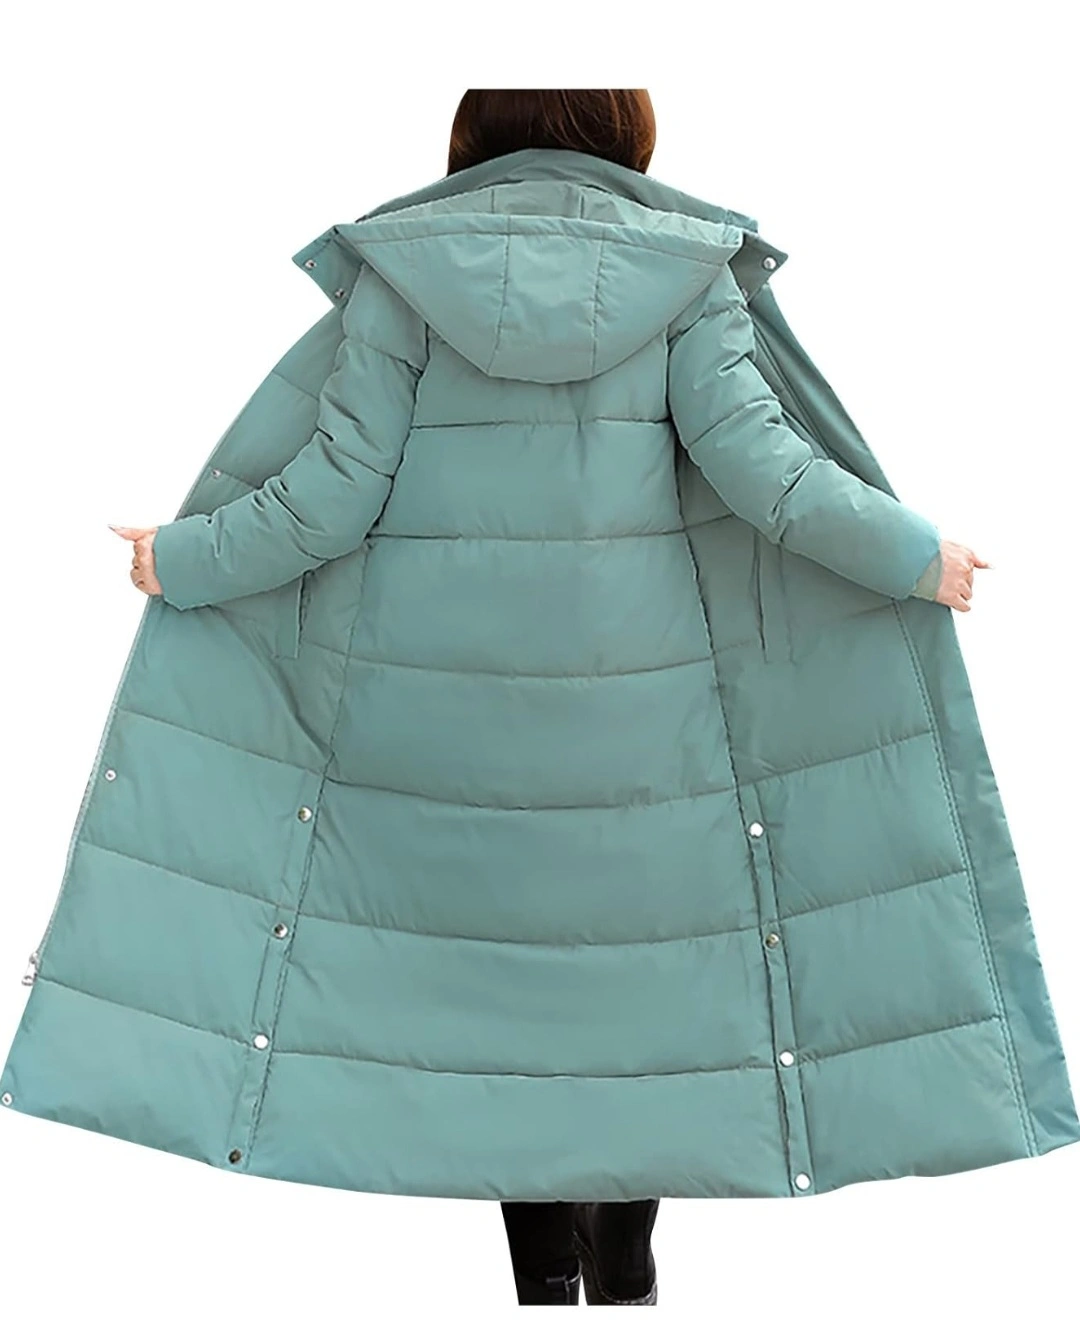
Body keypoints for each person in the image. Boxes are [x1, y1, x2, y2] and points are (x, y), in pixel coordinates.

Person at [66, 91, 1003, 1308]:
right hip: (644, 725)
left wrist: (181, 557)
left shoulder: (404, 276)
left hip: (440, 728)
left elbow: (329, 496)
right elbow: (768, 472)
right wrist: (917, 555)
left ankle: (544, 1281)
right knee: (638, 992)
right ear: (627, 132)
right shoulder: (687, 275)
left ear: (475, 133)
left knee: (502, 1007)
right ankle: (625, 1258)